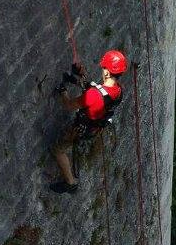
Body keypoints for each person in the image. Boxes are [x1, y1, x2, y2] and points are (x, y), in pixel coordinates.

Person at [50, 50, 128, 194]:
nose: (102, 69)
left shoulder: (93, 95)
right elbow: (98, 91)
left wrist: (63, 91)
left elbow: (69, 105)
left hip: (81, 128)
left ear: (107, 73)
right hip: (95, 128)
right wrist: (81, 76)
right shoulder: (118, 91)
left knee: (58, 150)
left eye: (104, 67)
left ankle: (70, 183)